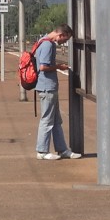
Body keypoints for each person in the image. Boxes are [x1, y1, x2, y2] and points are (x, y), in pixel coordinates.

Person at [34, 23, 81, 160]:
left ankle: (62, 149)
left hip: (47, 87)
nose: (64, 42)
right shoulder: (48, 44)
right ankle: (42, 151)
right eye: (65, 40)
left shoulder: (42, 40)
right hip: (47, 87)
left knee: (55, 120)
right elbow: (43, 67)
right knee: (47, 120)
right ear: (60, 35)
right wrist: (59, 67)